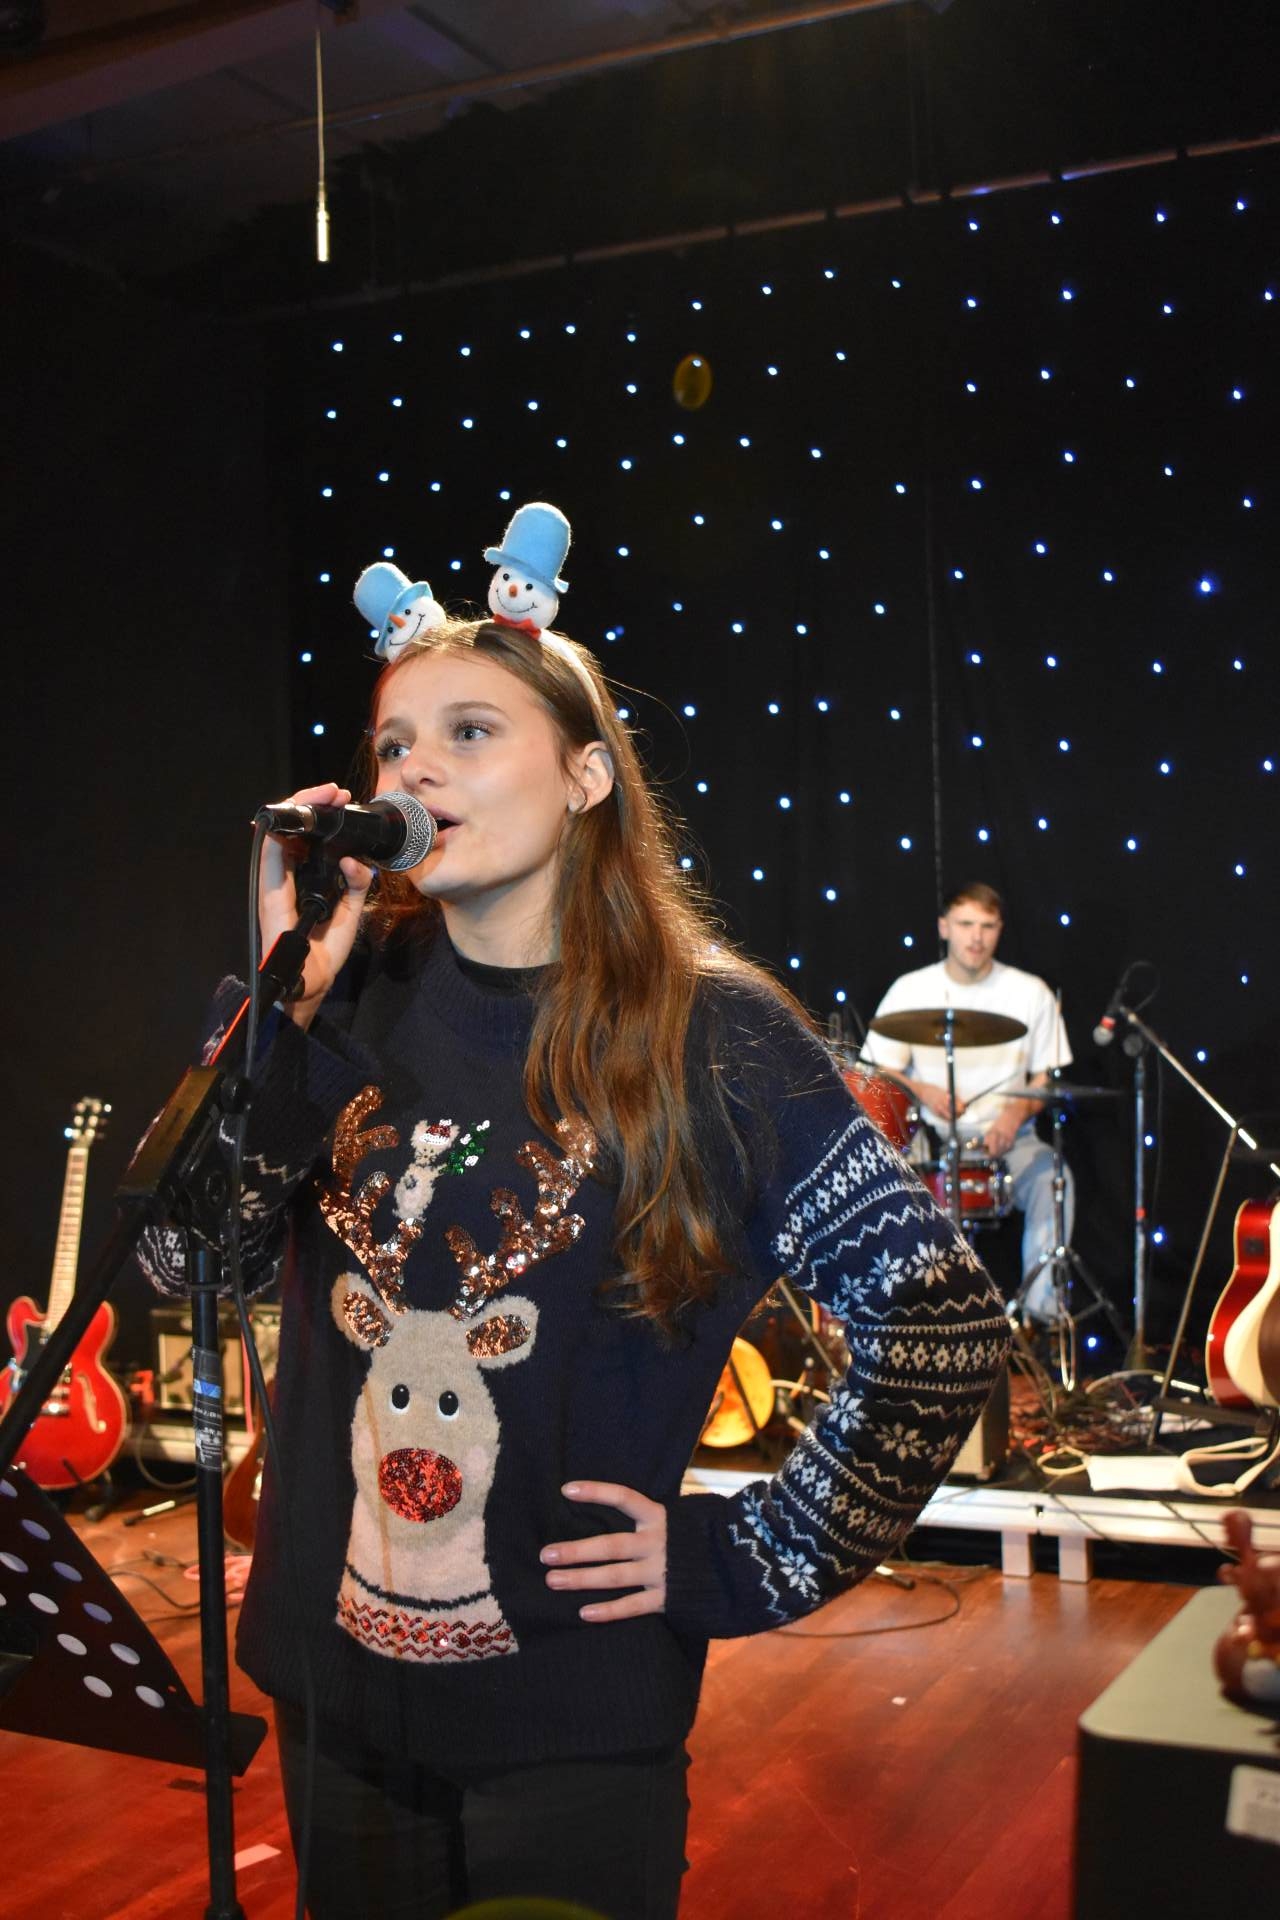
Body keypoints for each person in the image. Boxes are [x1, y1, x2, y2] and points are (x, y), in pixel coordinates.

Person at [138, 617, 1010, 1920]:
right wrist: (288, 1005)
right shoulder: (338, 997)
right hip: (333, 1701)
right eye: (392, 743)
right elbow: (179, 1259)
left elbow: (938, 1325)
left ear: (587, 775)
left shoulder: (716, 1038)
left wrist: (750, 1555)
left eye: (469, 731)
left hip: (570, 1724)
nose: (412, 771)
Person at [863, 882, 1073, 1327]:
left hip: (1010, 1139)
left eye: (987, 926)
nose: (976, 937)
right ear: (944, 927)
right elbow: (877, 1068)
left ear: (1000, 930)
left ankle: (1041, 1320)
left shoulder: (1030, 992)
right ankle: (905, 1321)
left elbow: (1047, 1076)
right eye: (965, 924)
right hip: (931, 1140)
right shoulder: (911, 989)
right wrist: (924, 1091)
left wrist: (1015, 1113)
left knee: (1054, 1179)